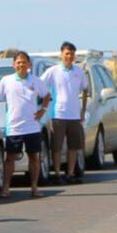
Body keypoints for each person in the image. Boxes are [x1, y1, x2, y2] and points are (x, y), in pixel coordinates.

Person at [0, 51, 50, 198]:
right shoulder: (6, 80)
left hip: (32, 127)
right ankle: (6, 188)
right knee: (10, 158)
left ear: (29, 64)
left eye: (24, 62)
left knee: (34, 157)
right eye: (18, 62)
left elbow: (47, 95)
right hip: (14, 127)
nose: (21, 65)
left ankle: (34, 187)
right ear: (13, 65)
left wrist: (43, 110)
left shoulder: (36, 81)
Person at [40, 41, 88, 184]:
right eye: (67, 53)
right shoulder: (53, 71)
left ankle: (70, 174)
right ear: (61, 54)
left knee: (73, 146)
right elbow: (40, 86)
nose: (69, 56)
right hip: (58, 114)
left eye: (72, 54)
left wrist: (83, 111)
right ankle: (57, 174)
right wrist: (45, 105)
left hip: (74, 115)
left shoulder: (79, 72)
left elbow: (85, 90)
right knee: (57, 147)